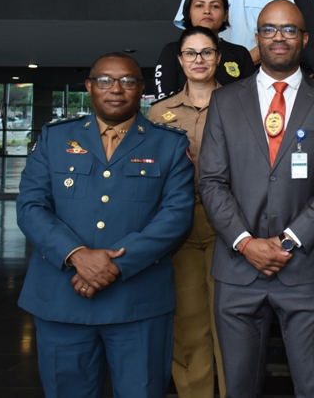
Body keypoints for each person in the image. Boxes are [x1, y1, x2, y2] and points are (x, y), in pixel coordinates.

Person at [17, 52, 195, 398]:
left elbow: (176, 216)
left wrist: (114, 265)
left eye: (128, 81)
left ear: (141, 89)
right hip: (61, 299)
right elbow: (30, 206)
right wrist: (77, 255)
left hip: (137, 303)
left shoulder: (169, 145)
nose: (116, 89)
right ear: (89, 87)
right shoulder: (55, 138)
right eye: (105, 81)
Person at [198, 0, 314, 398]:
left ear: (304, 38)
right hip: (237, 270)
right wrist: (246, 243)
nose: (278, 37)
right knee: (239, 388)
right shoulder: (225, 100)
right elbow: (211, 180)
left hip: (305, 269)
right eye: (269, 29)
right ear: (257, 37)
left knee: (313, 387)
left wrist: (287, 242)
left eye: (288, 30)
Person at [148, 27, 226, 398]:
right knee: (189, 323)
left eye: (206, 52)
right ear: (179, 60)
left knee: (230, 322)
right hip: (179, 223)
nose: (199, 60)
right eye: (191, 53)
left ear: (218, 58)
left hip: (228, 221)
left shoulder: (238, 103)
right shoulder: (158, 112)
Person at [155, 0, 253, 100]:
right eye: (199, 5)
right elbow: (163, 100)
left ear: (225, 15)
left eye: (215, 6)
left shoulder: (240, 53)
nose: (207, 11)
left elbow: (250, 98)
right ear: (188, 13)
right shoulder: (172, 51)